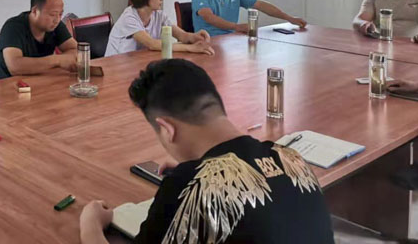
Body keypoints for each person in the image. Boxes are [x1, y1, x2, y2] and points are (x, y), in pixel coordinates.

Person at [79, 59, 334, 244]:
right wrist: (197, 166)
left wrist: (91, 224)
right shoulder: (291, 157)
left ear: (166, 130)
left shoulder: (189, 184)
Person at [105, 0, 214, 57]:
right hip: (115, 67)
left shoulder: (159, 15)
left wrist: (195, 37)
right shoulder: (129, 17)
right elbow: (152, 44)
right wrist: (190, 48)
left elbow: (182, 35)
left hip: (136, 62)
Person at [0, 0, 79, 79]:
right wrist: (56, 60)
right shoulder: (13, 27)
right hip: (7, 84)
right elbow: (15, 67)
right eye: (52, 14)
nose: (57, 19)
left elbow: (77, 50)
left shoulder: (55, 25)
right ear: (34, 11)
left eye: (60, 14)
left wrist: (64, 59)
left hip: (38, 81)